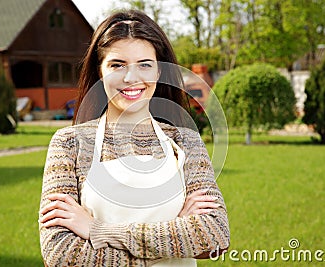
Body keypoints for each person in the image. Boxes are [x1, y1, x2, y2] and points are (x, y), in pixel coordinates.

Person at [39, 9, 229, 266]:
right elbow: (62, 255)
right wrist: (175, 239)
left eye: (145, 65)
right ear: (100, 71)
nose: (131, 78)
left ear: (159, 72)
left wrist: (98, 231)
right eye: (117, 65)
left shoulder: (186, 142)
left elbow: (214, 237)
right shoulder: (69, 144)